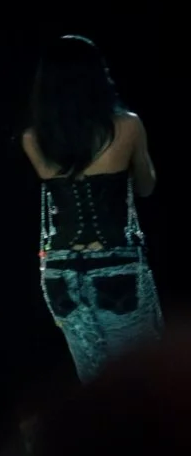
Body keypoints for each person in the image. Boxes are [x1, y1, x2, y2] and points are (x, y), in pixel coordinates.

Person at [20, 34, 160, 381]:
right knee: (139, 380)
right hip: (117, 268)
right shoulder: (127, 126)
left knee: (95, 386)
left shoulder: (33, 138)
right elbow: (146, 186)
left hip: (60, 273)